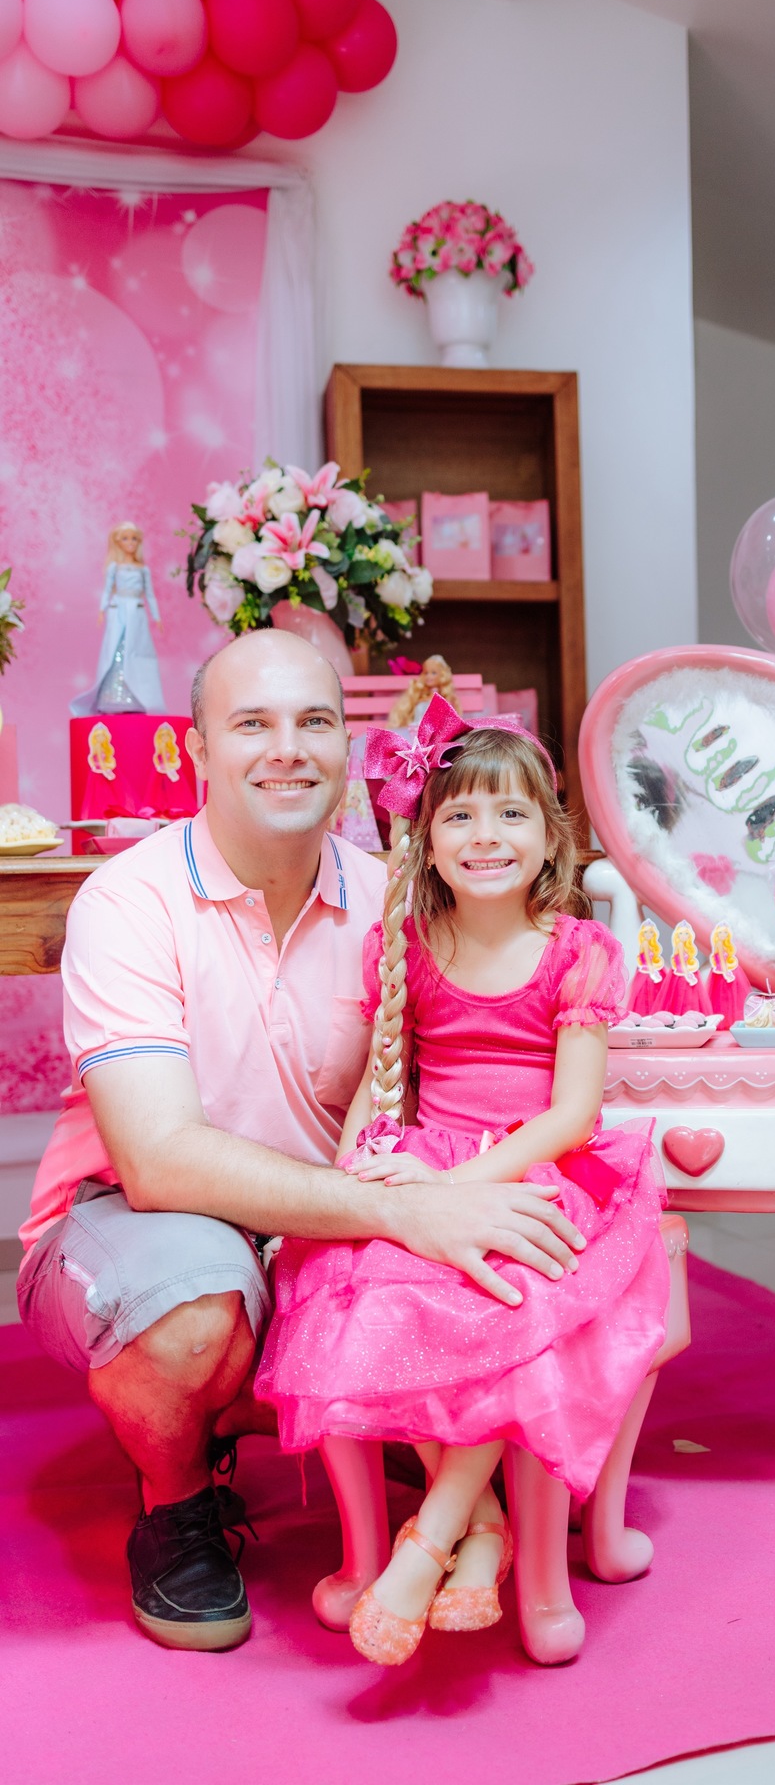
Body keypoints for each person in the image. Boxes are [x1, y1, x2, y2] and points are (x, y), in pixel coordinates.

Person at [17, 630, 586, 1652]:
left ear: (345, 748)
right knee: (196, 1311)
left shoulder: (394, 901)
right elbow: (160, 1161)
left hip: (331, 1216)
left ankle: (393, 1438)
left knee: (504, 1259)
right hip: (144, 1221)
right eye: (253, 725)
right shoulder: (132, 900)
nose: (288, 749)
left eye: (314, 722)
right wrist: (400, 1211)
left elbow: (449, 1092)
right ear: (197, 753)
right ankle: (180, 1496)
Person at [255, 693, 670, 1668]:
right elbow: (375, 1085)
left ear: (550, 835)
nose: (487, 835)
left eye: (512, 813)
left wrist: (464, 1189)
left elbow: (571, 1116)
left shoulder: (579, 954)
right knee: (352, 1287)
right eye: (460, 815)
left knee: (501, 1300)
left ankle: (432, 1535)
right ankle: (482, 1528)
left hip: (536, 1168)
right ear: (426, 840)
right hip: (424, 1157)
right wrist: (364, 1175)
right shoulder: (402, 948)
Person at [70, 522, 165, 716]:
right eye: (125, 538)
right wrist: (102, 610)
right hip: (119, 611)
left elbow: (150, 594)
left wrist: (156, 616)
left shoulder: (142, 569)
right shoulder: (115, 567)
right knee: (115, 651)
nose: (130, 543)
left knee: (137, 651)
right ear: (118, 542)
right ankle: (114, 696)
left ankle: (139, 695)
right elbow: (107, 590)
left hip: (137, 613)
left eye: (133, 538)